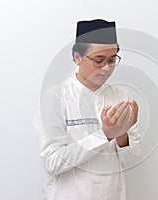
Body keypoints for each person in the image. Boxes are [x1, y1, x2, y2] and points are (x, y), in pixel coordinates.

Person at [34, 19, 141, 200]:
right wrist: (105, 135)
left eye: (112, 60)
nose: (106, 68)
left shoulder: (123, 98)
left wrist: (122, 134)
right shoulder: (55, 98)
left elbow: (131, 162)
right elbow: (52, 162)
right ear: (77, 57)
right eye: (99, 60)